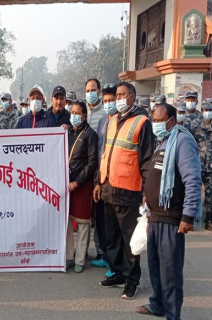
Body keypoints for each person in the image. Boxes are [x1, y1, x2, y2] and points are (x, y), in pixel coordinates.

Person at [136, 103, 201, 319]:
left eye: (158, 119)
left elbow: (192, 179)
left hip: (172, 219)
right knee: (155, 268)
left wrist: (188, 215)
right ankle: (158, 304)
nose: (155, 123)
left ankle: (173, 314)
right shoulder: (163, 142)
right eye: (153, 119)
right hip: (155, 217)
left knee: (171, 274)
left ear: (171, 121)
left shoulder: (182, 141)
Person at [95, 82, 154, 299]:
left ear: (132, 97)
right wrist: (98, 182)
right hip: (108, 187)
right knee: (112, 238)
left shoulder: (142, 122)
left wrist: (147, 193)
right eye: (116, 94)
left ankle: (132, 280)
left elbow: (147, 160)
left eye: (122, 95)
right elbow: (105, 154)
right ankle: (118, 272)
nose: (118, 98)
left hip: (129, 190)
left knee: (129, 240)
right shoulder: (111, 121)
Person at [66, 100, 98, 273]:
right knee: (69, 223)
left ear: (84, 116)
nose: (74, 115)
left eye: (77, 113)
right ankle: (69, 257)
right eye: (72, 112)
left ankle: (80, 259)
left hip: (82, 185)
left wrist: (77, 181)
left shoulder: (90, 134)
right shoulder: (69, 132)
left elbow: (92, 162)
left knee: (83, 223)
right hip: (67, 184)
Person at [92, 83, 118, 275]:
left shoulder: (123, 121)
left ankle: (114, 263)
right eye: (107, 101)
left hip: (116, 179)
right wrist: (98, 181)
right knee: (100, 218)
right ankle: (104, 256)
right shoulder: (102, 121)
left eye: (112, 101)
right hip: (101, 176)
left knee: (113, 224)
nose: (109, 104)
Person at [194, 101, 212, 231]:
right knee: (193, 193)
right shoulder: (195, 127)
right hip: (197, 166)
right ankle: (191, 219)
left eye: (210, 109)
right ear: (201, 110)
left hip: (210, 168)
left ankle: (209, 221)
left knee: (210, 196)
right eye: (206, 109)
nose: (208, 112)